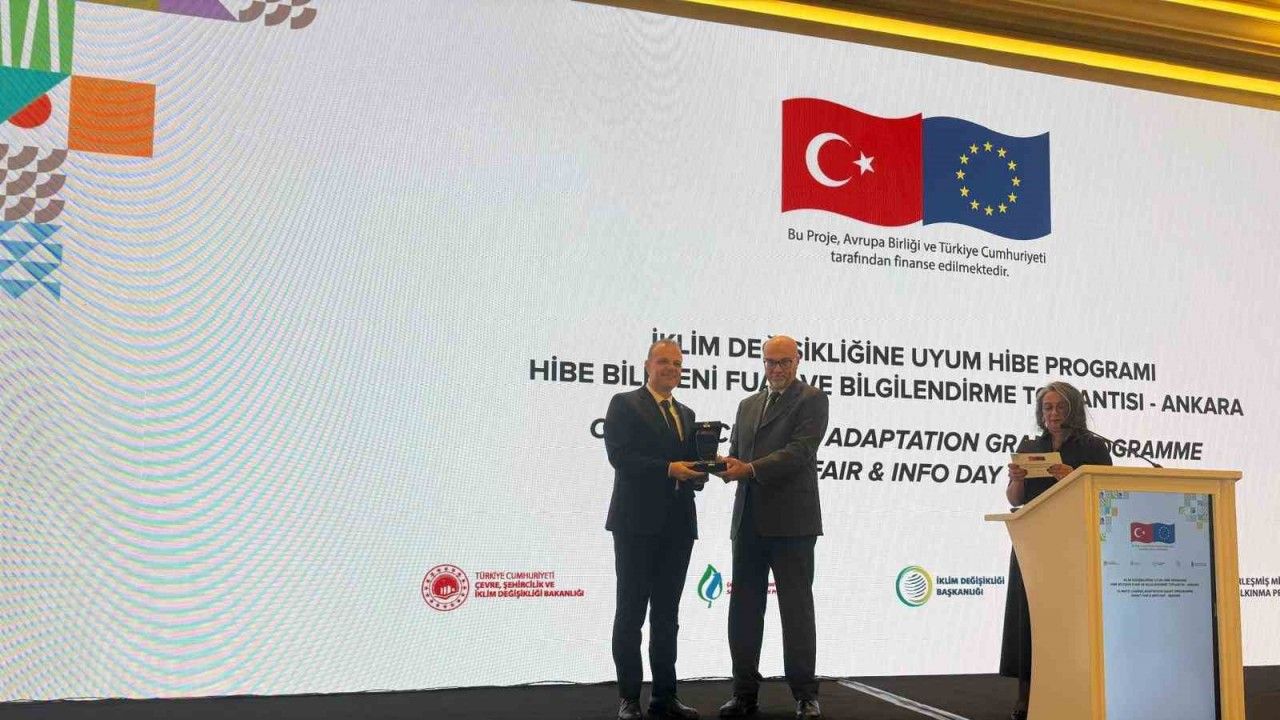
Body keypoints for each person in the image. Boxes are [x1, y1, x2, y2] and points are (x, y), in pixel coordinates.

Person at [716, 335, 829, 720]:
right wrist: (718, 465)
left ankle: (805, 695)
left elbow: (799, 452)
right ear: (762, 363)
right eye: (770, 362)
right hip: (748, 521)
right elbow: (737, 453)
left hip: (793, 523)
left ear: (798, 360)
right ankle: (743, 693)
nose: (776, 369)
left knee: (796, 611)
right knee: (744, 611)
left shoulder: (812, 399)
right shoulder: (747, 405)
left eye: (784, 362)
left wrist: (748, 469)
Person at [604, 339, 706, 720]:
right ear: (647, 365)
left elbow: (690, 466)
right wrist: (668, 469)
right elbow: (620, 457)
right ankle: (629, 699)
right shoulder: (624, 404)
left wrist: (701, 473)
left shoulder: (687, 413)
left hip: (678, 527)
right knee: (630, 612)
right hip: (635, 525)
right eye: (664, 361)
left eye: (677, 364)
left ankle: (665, 696)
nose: (671, 369)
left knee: (667, 615)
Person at [1000, 381, 1112, 720]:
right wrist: (1017, 479)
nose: (1053, 413)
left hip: (1075, 545)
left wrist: (1072, 478)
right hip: (1034, 543)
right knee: (1029, 620)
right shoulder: (1030, 446)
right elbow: (1017, 499)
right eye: (1047, 407)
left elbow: (1105, 496)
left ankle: (1077, 693)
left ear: (1074, 410)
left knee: (1072, 622)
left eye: (1060, 407)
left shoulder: (1093, 448)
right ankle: (1027, 697)